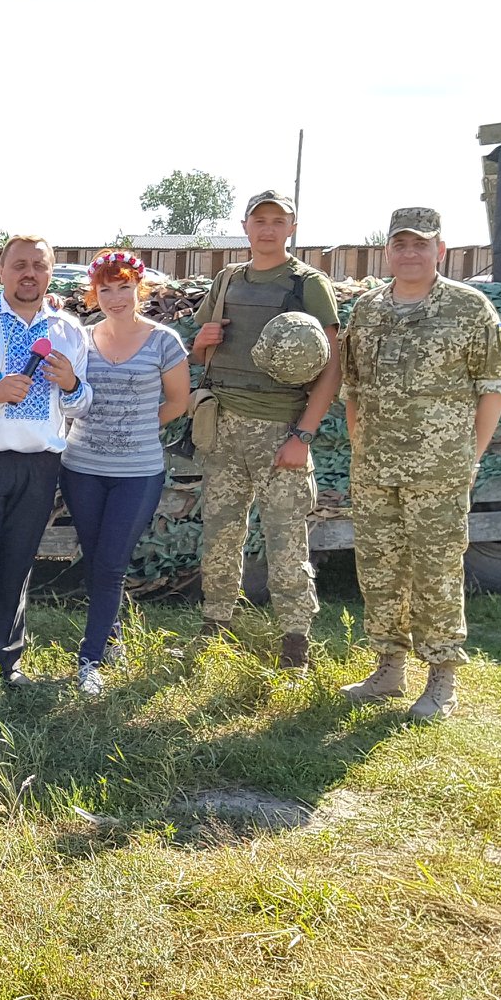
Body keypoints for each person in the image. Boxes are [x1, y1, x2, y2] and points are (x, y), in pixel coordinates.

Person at [338, 208, 501, 720]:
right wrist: (359, 443)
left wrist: (468, 455)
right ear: (388, 251)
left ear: (440, 250)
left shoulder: (470, 307)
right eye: (401, 244)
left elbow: (494, 388)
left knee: (436, 570)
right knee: (378, 567)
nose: (410, 253)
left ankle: (442, 679)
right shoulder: (368, 310)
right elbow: (352, 388)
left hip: (439, 471)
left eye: (421, 244)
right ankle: (389, 668)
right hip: (374, 468)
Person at [191, 191, 341, 671]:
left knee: (285, 537)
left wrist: (303, 435)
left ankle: (295, 641)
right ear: (245, 225)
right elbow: (201, 355)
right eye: (260, 220)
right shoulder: (228, 279)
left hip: (280, 430)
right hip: (224, 425)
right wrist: (202, 342)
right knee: (219, 532)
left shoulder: (307, 284)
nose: (268, 229)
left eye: (279, 221)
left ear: (291, 228)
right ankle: (215, 625)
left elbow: (331, 368)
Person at [0, 235, 90, 689]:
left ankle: (7, 660)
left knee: (18, 562)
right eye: (19, 264)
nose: (29, 273)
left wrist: (71, 385)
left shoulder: (68, 331)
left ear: (50, 273)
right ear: (1, 270)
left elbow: (81, 406)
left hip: (39, 465)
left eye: (38, 265)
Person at [59, 251, 188, 694]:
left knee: (112, 563)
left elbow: (177, 401)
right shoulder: (81, 339)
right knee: (95, 559)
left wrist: (136, 423)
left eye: (124, 287)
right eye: (106, 289)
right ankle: (111, 638)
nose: (116, 297)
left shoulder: (164, 341)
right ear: (94, 294)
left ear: (140, 288)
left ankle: (89, 659)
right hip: (81, 467)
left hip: (137, 470)